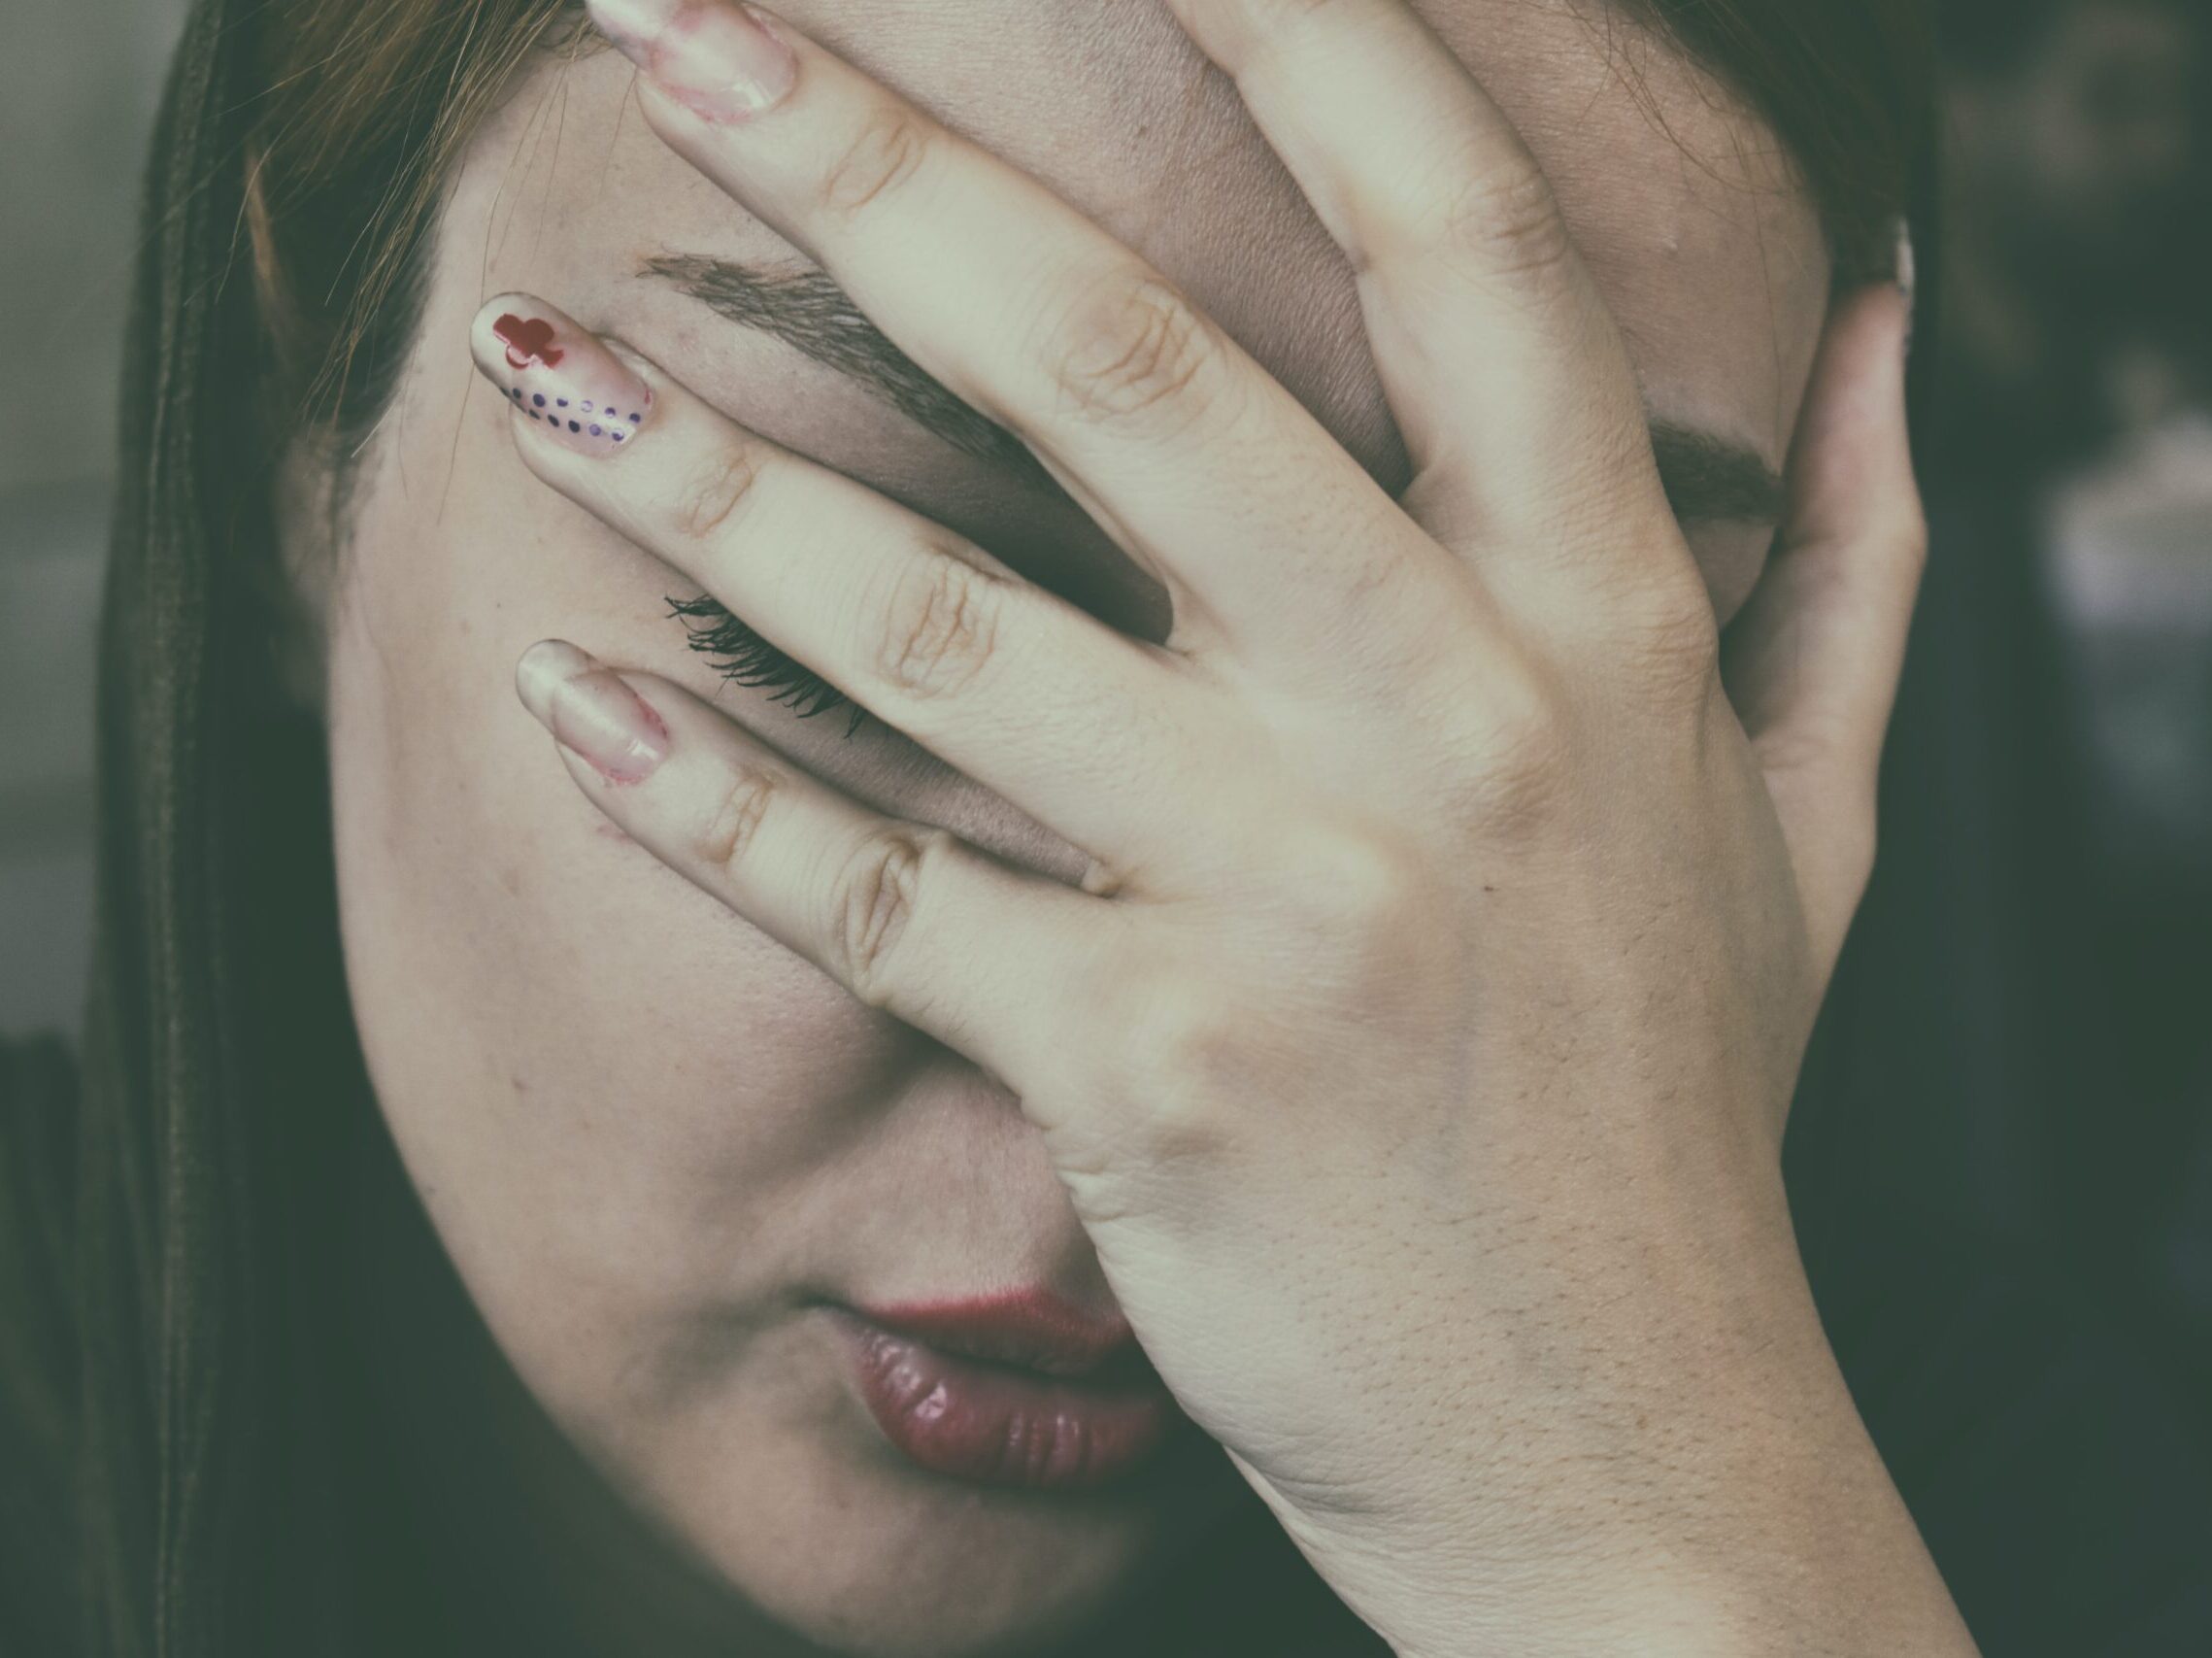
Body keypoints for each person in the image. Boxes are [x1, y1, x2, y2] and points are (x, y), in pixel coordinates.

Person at [2, 0, 2208, 1654]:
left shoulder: (2008, 1524)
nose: (1207, 1048)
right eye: (856, 611)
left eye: (1540, 738)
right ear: (295, 447)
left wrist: (1658, 1562)